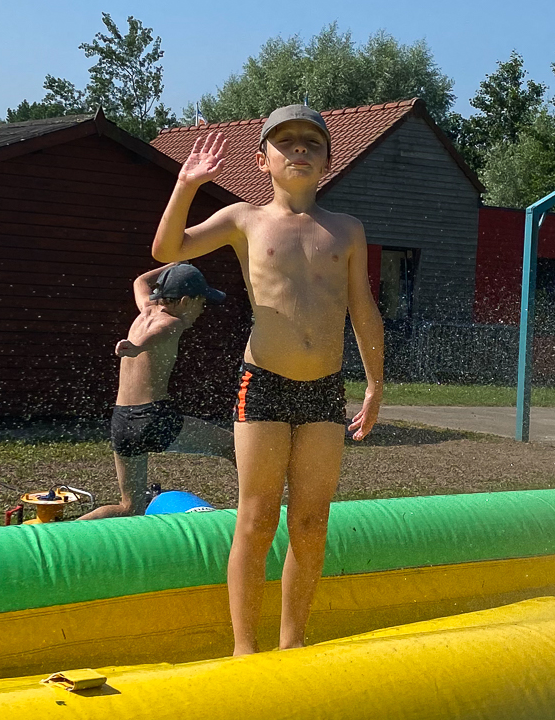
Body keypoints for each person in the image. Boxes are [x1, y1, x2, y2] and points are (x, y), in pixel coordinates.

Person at [152, 104, 386, 653]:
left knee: (311, 522)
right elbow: (167, 250)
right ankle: (244, 648)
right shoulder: (245, 220)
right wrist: (186, 185)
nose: (299, 148)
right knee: (256, 519)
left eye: (311, 142)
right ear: (263, 161)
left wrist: (375, 384)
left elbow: (363, 308)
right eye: (286, 142)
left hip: (325, 390)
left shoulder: (347, 230)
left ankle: (292, 643)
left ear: (328, 161)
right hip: (263, 384)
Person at [79, 263, 226, 519]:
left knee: (129, 507)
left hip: (122, 421)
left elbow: (140, 281)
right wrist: (137, 346)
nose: (202, 310)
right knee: (233, 446)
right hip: (153, 418)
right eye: (201, 302)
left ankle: (56, 534)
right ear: (184, 301)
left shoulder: (146, 308)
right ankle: (252, 514)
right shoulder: (173, 322)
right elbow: (159, 332)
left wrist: (175, 264)